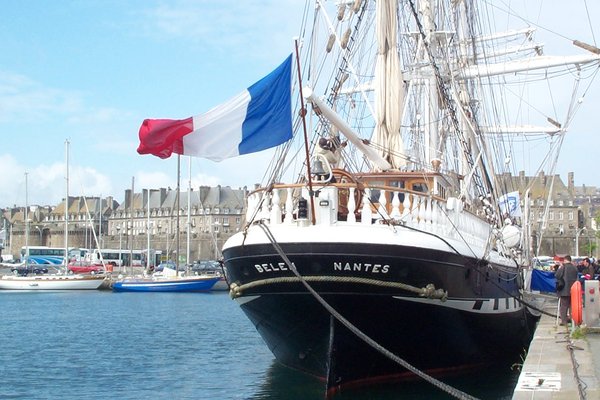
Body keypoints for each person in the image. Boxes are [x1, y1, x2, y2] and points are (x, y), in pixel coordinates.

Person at [555, 255, 579, 326]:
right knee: (571, 306)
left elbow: (557, 275)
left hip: (564, 290)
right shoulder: (575, 268)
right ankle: (572, 319)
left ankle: (564, 321)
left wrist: (559, 267)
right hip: (573, 290)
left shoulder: (563, 267)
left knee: (564, 306)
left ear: (565, 260)